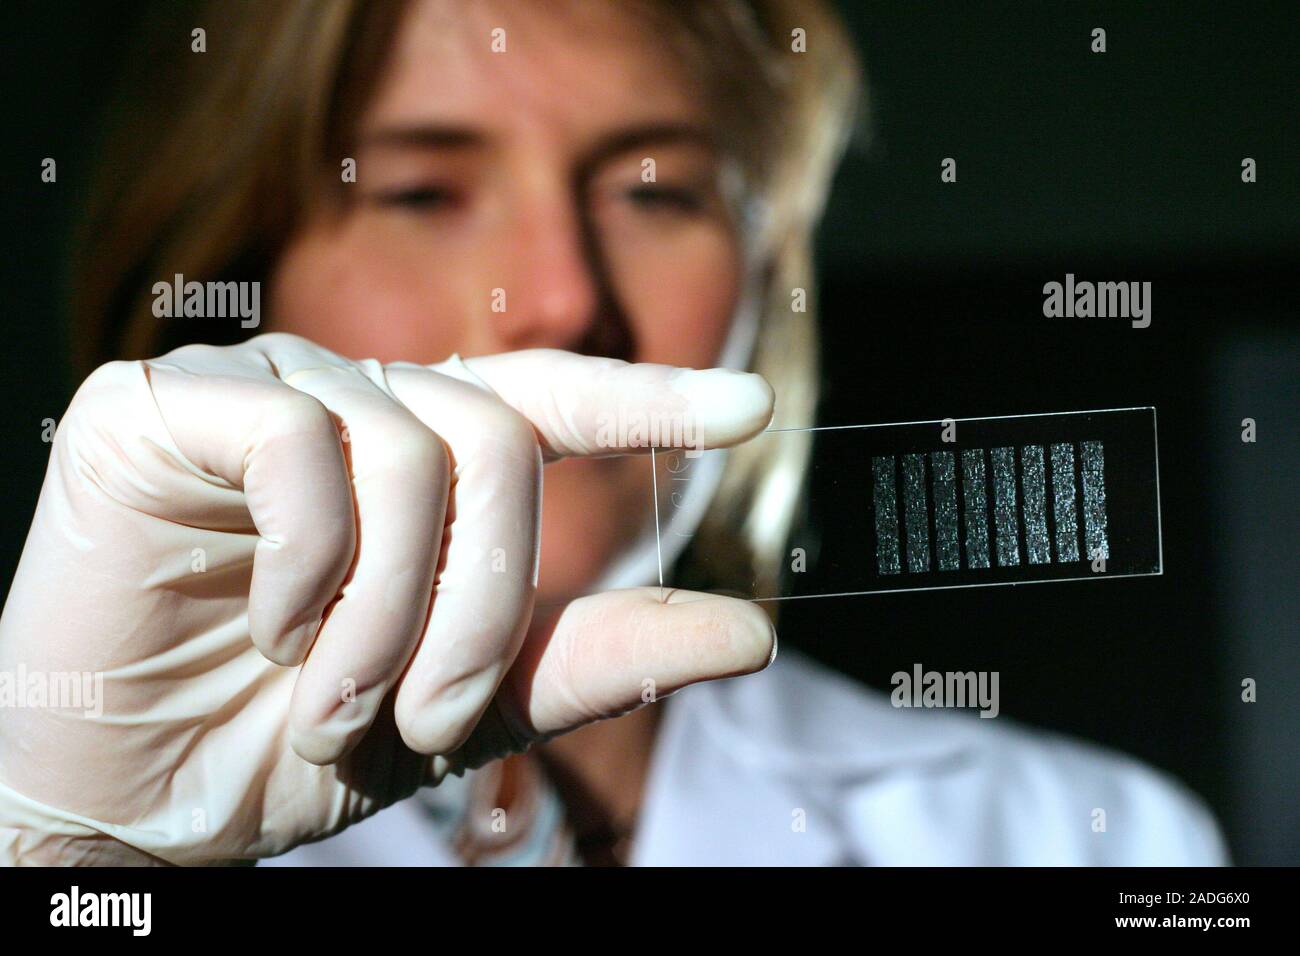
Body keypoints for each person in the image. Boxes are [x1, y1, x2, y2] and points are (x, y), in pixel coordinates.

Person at [0, 0, 1226, 866]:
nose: (562, 296)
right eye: (423, 191)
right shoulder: (60, 794)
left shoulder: (1072, 837)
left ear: (764, 280)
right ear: (233, 269)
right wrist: (68, 865)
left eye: (656, 191)